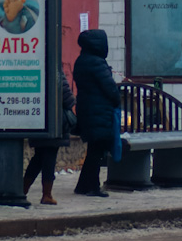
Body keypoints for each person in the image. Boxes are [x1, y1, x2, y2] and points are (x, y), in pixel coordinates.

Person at [72, 29, 120, 197]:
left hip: (87, 110)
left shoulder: (81, 60)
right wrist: (117, 100)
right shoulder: (97, 63)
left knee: (94, 149)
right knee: (97, 151)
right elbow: (110, 88)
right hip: (99, 112)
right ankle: (92, 186)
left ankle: (84, 185)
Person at [24, 76, 75, 205]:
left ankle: (23, 189)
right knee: (49, 157)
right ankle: (47, 194)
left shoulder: (34, 74)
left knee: (39, 157)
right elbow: (68, 99)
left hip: (37, 118)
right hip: (55, 121)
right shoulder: (56, 70)